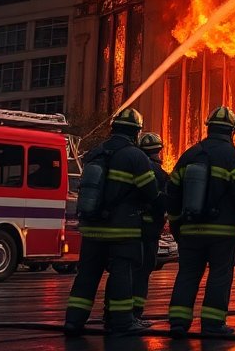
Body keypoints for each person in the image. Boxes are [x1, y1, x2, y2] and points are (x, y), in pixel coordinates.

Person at [63, 108, 159, 337]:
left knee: (87, 274)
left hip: (92, 228)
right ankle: (122, 321)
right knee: (121, 275)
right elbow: (151, 192)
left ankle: (73, 320)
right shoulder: (136, 156)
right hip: (121, 230)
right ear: (136, 132)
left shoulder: (95, 153)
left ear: (114, 128)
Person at [165, 106, 235, 337]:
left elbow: (172, 193)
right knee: (219, 274)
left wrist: (176, 224)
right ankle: (213, 324)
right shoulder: (233, 156)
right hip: (222, 232)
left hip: (190, 230)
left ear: (209, 128)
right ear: (232, 131)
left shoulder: (189, 155)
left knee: (187, 274)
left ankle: (178, 322)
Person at [131, 132, 168, 324]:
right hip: (148, 231)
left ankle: (115, 314)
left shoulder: (133, 167)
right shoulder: (158, 173)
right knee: (143, 270)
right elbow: (161, 202)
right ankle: (135, 314)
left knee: (126, 270)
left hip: (129, 229)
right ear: (158, 151)